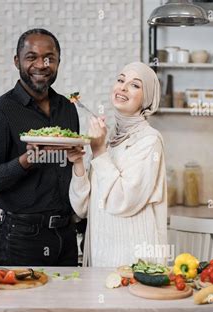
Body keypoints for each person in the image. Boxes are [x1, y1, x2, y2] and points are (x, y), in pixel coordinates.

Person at [0, 28, 80, 266]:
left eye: (49, 57)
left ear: (58, 62)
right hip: (22, 237)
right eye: (31, 57)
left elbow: (71, 170)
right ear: (17, 61)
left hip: (67, 234)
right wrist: (26, 160)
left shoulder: (68, 108)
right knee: (23, 304)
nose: (41, 64)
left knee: (71, 304)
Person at [68, 62, 168, 267]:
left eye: (135, 85)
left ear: (147, 98)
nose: (122, 87)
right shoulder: (111, 137)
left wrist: (99, 152)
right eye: (121, 80)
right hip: (100, 257)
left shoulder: (149, 141)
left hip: (134, 262)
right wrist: (78, 161)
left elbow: (122, 201)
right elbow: (83, 208)